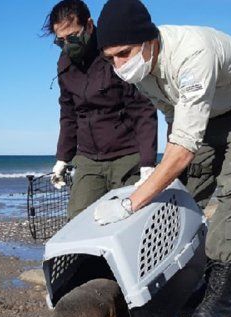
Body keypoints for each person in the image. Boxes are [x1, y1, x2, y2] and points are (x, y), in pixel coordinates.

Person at [93, 0, 231, 317]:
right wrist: (159, 178)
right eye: (111, 58)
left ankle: (220, 300)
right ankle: (181, 279)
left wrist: (132, 202)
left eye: (124, 53)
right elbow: (175, 119)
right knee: (183, 191)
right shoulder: (140, 71)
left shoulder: (191, 54)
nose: (119, 66)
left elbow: (183, 149)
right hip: (212, 113)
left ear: (149, 40)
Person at [45, 0, 158, 219]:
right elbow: (68, 114)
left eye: (73, 37)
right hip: (88, 157)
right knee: (78, 219)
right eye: (61, 41)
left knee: (130, 218)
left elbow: (142, 108)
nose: (68, 45)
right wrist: (62, 158)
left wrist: (147, 163)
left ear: (89, 25)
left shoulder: (113, 52)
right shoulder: (64, 64)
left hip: (127, 154)